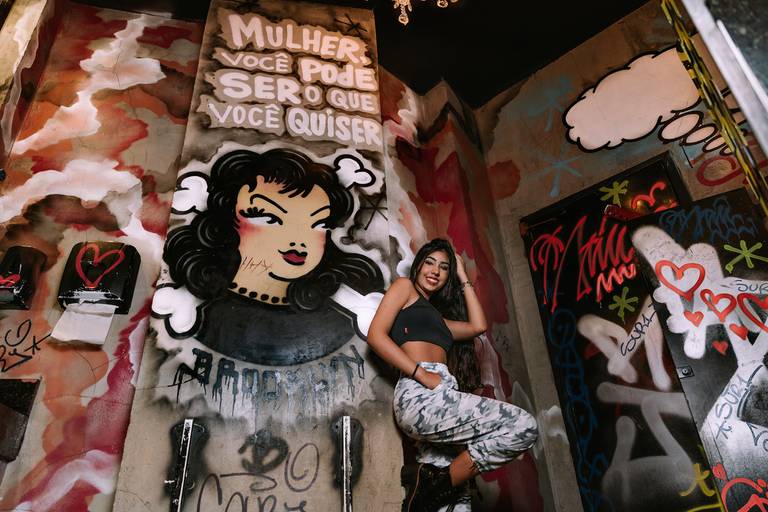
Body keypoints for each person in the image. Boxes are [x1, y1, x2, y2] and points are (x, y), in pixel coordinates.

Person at [163, 148, 383, 365]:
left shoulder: (338, 321)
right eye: (269, 218)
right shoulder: (201, 314)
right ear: (224, 225)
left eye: (317, 224)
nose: (299, 239)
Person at [367, 239, 538, 511]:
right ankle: (429, 487)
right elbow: (375, 335)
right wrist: (420, 374)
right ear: (419, 265)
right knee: (522, 425)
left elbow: (478, 326)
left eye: (444, 267)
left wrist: (462, 275)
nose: (435, 271)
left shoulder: (439, 320)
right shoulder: (404, 288)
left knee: (458, 503)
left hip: (442, 396)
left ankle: (432, 485)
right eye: (430, 263)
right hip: (422, 394)